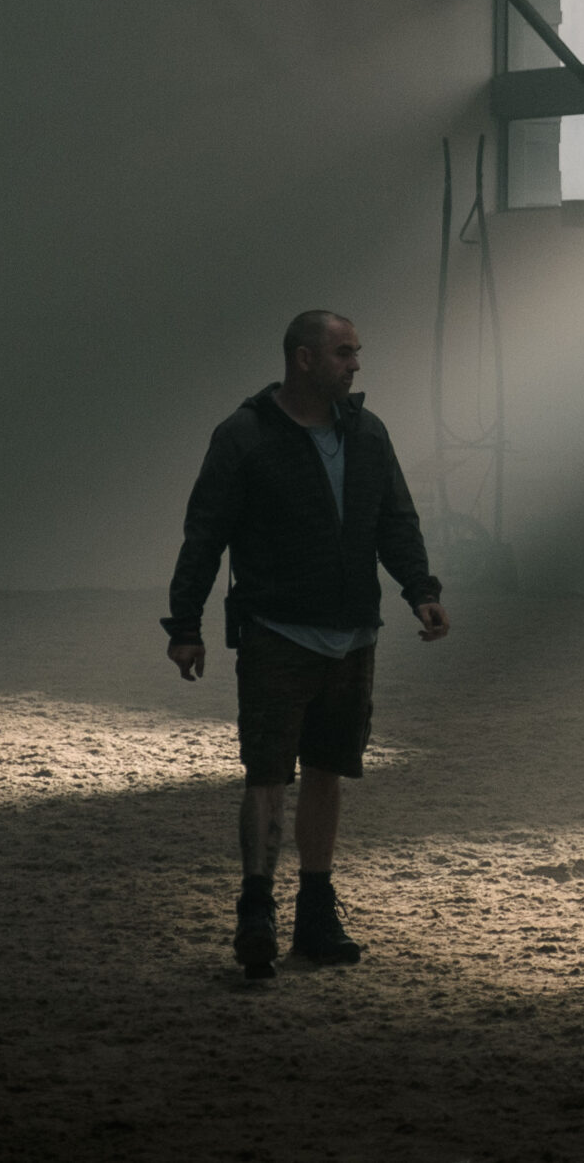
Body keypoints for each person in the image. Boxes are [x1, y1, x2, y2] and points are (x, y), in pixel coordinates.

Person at [163, 311, 449, 979]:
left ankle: (316, 912)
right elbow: (204, 535)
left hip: (353, 634)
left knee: (328, 770)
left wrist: (420, 589)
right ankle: (256, 909)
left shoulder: (367, 434)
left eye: (357, 353)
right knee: (267, 774)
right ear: (304, 359)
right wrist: (184, 626)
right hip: (277, 632)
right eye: (344, 353)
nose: (355, 365)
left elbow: (394, 519)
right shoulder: (244, 438)